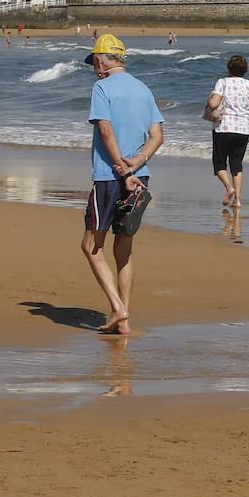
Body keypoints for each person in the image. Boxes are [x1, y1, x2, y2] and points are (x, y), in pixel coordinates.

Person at [79, 33, 164, 335]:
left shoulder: (101, 86)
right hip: (140, 177)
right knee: (124, 248)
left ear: (101, 61)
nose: (94, 68)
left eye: (94, 62)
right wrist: (136, 164)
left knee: (91, 246)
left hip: (109, 177)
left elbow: (105, 129)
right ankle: (123, 320)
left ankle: (118, 307)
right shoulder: (143, 89)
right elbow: (157, 136)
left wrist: (121, 169)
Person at [208, 54, 249, 209]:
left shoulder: (222, 82)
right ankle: (237, 200)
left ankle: (229, 188)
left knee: (220, 164)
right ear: (245, 70)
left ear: (229, 69)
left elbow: (213, 104)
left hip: (223, 127)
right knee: (237, 165)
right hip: (243, 129)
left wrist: (211, 96)